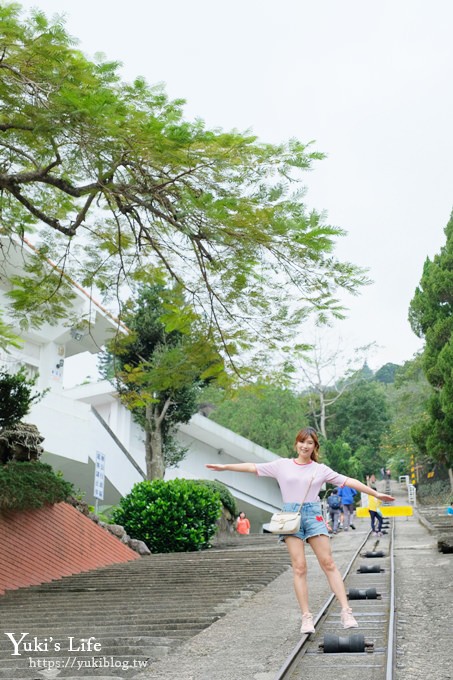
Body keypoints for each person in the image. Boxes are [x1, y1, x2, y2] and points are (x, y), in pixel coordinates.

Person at [205, 426, 395, 635]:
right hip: (290, 515)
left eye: (309, 443)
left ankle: (346, 611)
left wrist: (375, 495)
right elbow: (253, 467)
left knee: (328, 563)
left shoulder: (320, 469)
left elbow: (348, 481)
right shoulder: (282, 465)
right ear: (296, 443)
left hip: (313, 514)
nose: (305, 446)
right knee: (299, 567)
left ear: (314, 446)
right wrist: (224, 467)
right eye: (302, 441)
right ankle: (306, 617)